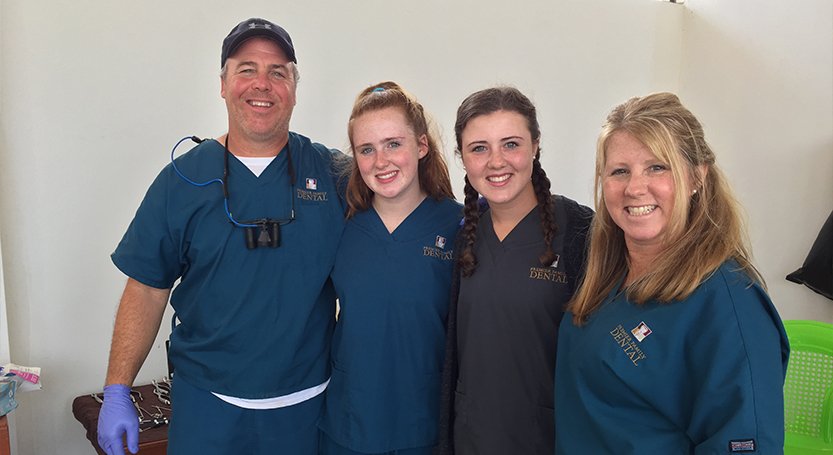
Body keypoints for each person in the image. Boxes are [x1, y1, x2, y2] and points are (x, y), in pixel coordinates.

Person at [96, 18, 346, 455]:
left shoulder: (334, 174)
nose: (262, 84)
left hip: (309, 408)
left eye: (278, 72)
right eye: (246, 69)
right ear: (224, 82)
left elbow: (399, 210)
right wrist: (117, 389)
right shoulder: (182, 181)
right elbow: (147, 289)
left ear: (294, 84)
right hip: (208, 408)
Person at [554, 92, 790, 454]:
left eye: (657, 167)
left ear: (696, 177)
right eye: (620, 171)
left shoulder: (730, 305)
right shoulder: (610, 275)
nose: (635, 188)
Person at [436, 86, 594, 455]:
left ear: (536, 145)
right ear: (462, 157)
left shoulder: (582, 232)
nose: (496, 161)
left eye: (511, 144)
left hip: (546, 440)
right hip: (470, 436)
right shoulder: (465, 237)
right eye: (479, 148)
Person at [317, 82, 462, 455]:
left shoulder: (460, 227)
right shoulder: (342, 225)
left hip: (424, 427)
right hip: (348, 424)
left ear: (422, 146)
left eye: (393, 143)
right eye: (367, 149)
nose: (381, 161)